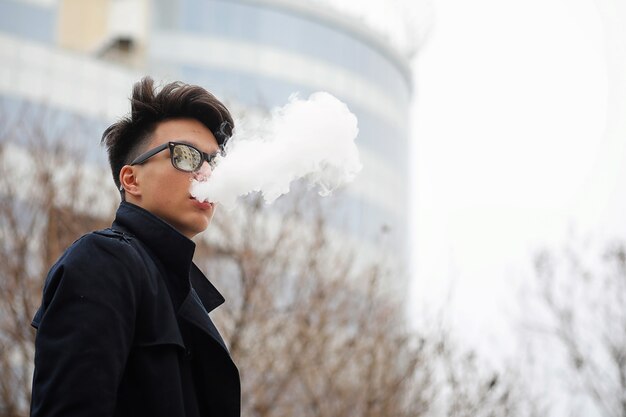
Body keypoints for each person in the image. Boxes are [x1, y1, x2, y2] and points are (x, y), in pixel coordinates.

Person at [30, 77, 240, 417]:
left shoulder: (181, 292)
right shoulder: (101, 261)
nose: (206, 175)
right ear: (131, 179)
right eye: (186, 156)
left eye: (211, 163)